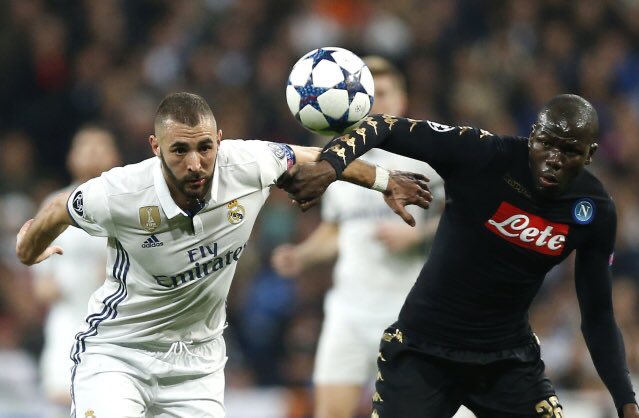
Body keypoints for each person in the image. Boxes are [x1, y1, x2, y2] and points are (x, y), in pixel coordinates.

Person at [15, 92, 431, 417]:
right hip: (118, 354)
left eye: (204, 148)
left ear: (219, 140)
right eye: (180, 150)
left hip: (196, 365)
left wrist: (383, 179)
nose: (195, 163)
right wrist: (28, 251)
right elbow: (57, 210)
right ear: (155, 147)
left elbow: (319, 159)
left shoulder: (249, 162)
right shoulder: (120, 192)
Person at [278, 94, 639, 417]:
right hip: (423, 353)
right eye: (546, 144)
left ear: (590, 154)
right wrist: (330, 166)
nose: (554, 160)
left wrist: (626, 401)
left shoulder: (595, 210)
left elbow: (598, 314)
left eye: (570, 152)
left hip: (508, 363)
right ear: (532, 136)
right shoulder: (485, 155)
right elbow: (382, 125)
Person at [271, 56, 444, 418]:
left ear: (403, 100)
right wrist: (302, 255)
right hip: (348, 311)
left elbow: (463, 218)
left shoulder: (428, 160)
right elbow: (338, 231)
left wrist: (418, 236)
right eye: (370, 96)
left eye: (385, 93)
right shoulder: (340, 161)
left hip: (408, 311)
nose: (377, 103)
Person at [32, 125, 121, 413]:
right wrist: (47, 284)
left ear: (115, 156)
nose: (92, 153)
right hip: (67, 318)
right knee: (63, 398)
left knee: (111, 402)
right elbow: (39, 278)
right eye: (85, 146)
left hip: (114, 322)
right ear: (71, 157)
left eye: (100, 146)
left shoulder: (127, 204)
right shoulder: (54, 205)